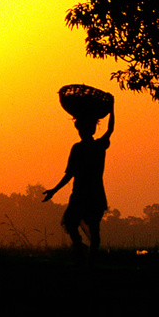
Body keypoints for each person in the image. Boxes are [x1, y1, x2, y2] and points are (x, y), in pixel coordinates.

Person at [43, 97, 114, 255]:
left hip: (85, 193)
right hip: (89, 193)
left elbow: (69, 174)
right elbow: (110, 130)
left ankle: (87, 254)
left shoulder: (88, 147)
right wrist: (112, 109)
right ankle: (84, 251)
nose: (81, 132)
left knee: (78, 224)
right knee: (81, 225)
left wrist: (54, 190)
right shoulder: (95, 146)